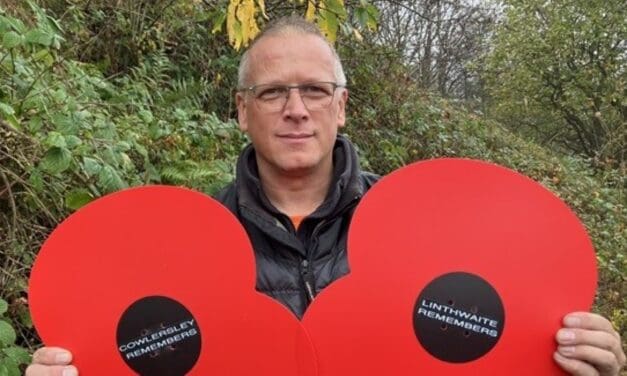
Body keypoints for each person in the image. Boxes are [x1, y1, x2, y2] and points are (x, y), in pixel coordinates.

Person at [26, 15, 625, 376]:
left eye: (314, 89)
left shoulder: (420, 231)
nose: (295, 110)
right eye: (271, 93)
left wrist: (577, 361)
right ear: (240, 110)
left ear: (341, 105)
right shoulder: (188, 246)